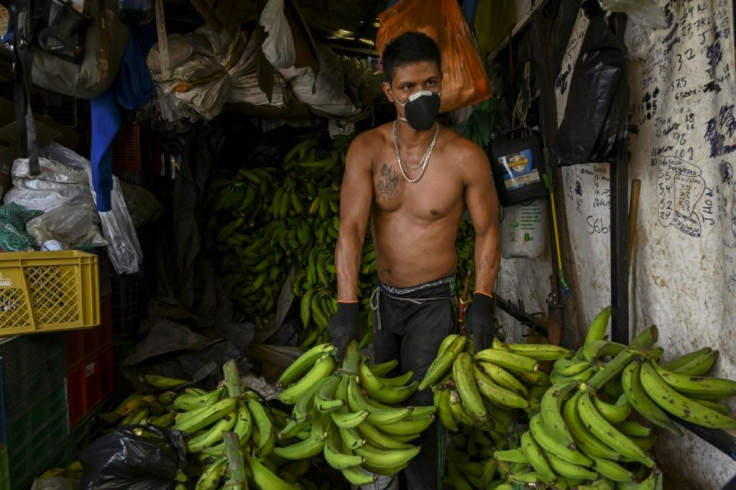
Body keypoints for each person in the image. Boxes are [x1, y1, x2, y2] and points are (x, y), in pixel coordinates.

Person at [327, 31, 501, 490]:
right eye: (407, 87)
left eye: (429, 83)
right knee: (382, 404)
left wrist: (482, 300)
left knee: (424, 410)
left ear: (441, 83)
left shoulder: (466, 157)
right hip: (386, 301)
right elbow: (350, 230)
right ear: (388, 91)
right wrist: (346, 308)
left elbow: (487, 230)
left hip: (434, 303)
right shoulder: (366, 150)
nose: (420, 94)